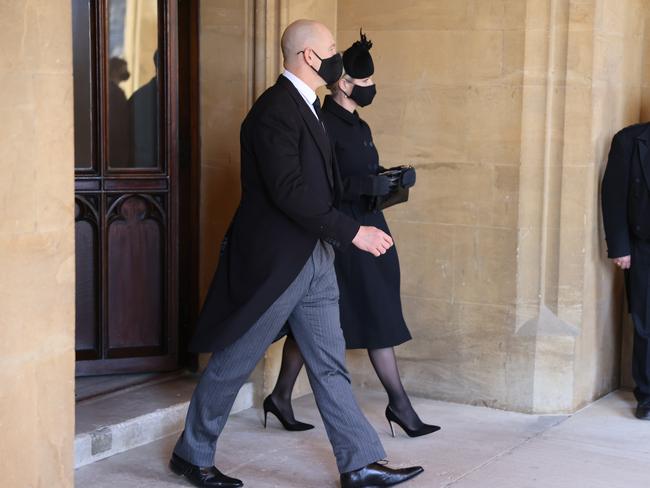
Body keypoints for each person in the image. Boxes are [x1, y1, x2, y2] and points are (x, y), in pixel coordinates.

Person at [169, 20, 424, 488]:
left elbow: (321, 187)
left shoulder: (308, 108)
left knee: (329, 363)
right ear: (309, 57)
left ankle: (360, 463)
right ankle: (192, 453)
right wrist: (355, 233)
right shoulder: (273, 112)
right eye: (330, 49)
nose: (336, 58)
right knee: (235, 360)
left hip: (316, 259)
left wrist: (374, 191)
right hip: (279, 263)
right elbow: (291, 194)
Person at [265, 31, 440, 439]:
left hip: (371, 226)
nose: (369, 90)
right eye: (363, 84)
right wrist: (365, 185)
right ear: (343, 83)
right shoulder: (322, 123)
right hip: (344, 234)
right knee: (375, 314)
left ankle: (280, 396)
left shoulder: (358, 125)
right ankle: (400, 406)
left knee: (319, 321)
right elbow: (319, 186)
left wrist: (391, 179)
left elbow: (360, 176)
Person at [602, 121, 650, 421]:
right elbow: (613, 195)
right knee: (646, 323)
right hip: (644, 247)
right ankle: (648, 396)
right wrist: (620, 246)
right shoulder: (629, 140)